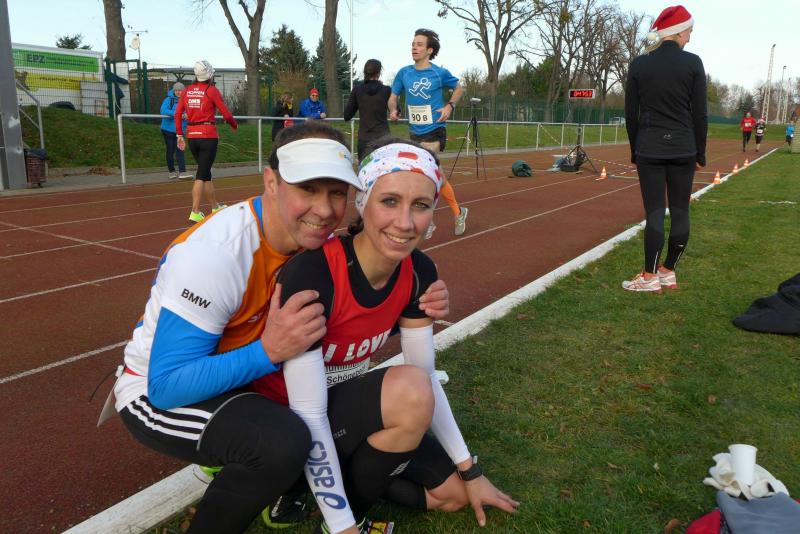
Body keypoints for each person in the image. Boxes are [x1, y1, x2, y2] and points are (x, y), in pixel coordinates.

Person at [104, 123, 451, 534]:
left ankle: (289, 486)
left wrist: (411, 307)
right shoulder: (215, 256)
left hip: (252, 385)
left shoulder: (313, 242)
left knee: (340, 426)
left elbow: (339, 321)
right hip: (156, 393)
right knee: (281, 442)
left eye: (336, 192)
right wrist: (267, 351)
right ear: (271, 182)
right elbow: (166, 386)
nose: (324, 210)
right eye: (307, 189)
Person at [252, 139, 518, 534]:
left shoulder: (420, 271)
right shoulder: (314, 272)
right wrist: (342, 523)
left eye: (421, 205)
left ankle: (348, 479)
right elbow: (310, 411)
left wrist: (470, 470)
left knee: (453, 495)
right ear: (363, 202)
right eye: (389, 201)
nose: (405, 223)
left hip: (349, 411)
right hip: (291, 420)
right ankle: (325, 505)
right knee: (408, 392)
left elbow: (427, 375)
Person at [623, 5, 707, 293]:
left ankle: (650, 276)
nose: (690, 37)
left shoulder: (639, 64)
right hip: (684, 148)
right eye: (689, 32)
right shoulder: (694, 63)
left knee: (656, 212)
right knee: (681, 211)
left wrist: (635, 150)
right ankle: (668, 271)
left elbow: (631, 114)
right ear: (679, 31)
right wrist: (700, 152)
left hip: (650, 148)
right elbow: (700, 114)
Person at [388, 28, 469, 237]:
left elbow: (459, 88)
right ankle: (458, 212)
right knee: (438, 176)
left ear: (429, 50)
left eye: (419, 44)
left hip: (435, 129)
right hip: (415, 132)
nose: (414, 48)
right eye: (413, 44)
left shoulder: (439, 73)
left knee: (424, 174)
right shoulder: (404, 73)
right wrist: (393, 110)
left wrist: (450, 106)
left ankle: (427, 220)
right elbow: (393, 97)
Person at [176, 60, 238, 224]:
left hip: (192, 136)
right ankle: (195, 211)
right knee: (201, 174)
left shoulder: (186, 91)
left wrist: (179, 134)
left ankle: (215, 206)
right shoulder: (211, 90)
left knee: (206, 172)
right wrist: (234, 125)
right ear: (209, 74)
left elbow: (178, 113)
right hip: (208, 136)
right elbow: (226, 113)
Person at [343, 59, 391, 160]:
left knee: (364, 168)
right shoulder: (386, 90)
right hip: (383, 138)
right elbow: (395, 112)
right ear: (379, 73)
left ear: (365, 72)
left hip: (364, 140)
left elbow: (347, 115)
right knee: (383, 168)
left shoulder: (357, 90)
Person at [160, 82, 191, 179]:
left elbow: (191, 111)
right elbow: (163, 110)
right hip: (168, 129)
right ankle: (172, 171)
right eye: (176, 90)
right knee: (170, 150)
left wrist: (188, 115)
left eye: (180, 90)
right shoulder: (169, 99)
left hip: (180, 130)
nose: (178, 92)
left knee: (180, 150)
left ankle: (182, 172)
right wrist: (178, 114)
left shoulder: (187, 100)